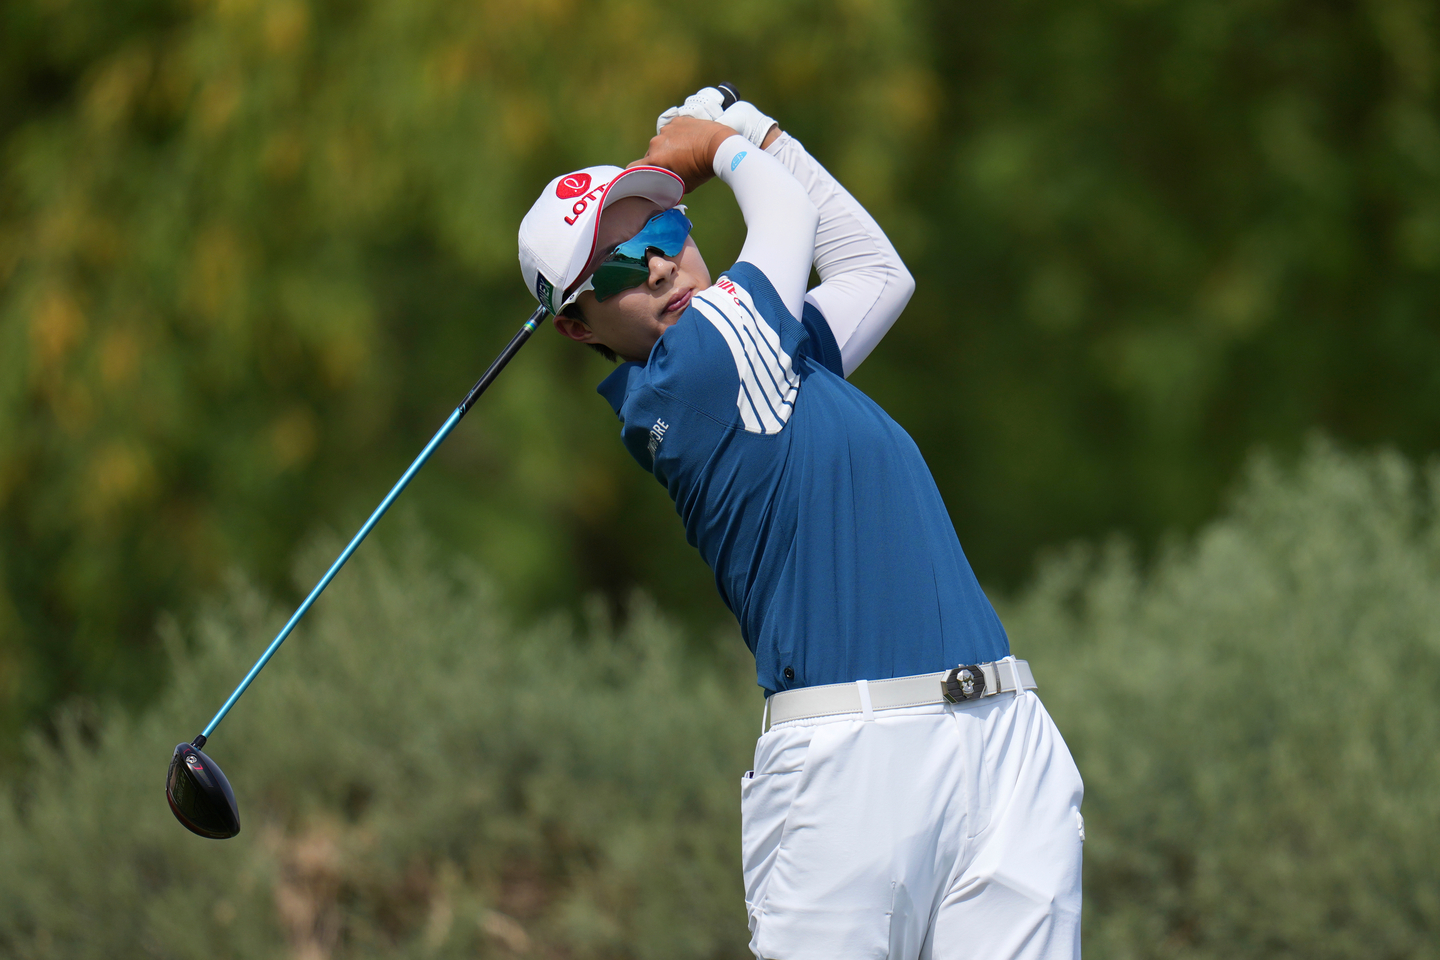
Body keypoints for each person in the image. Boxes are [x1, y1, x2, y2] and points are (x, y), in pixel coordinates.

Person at [517, 88, 1084, 960]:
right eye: (622, 269)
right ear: (576, 326)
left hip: (1000, 739)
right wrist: (719, 145)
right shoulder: (697, 370)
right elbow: (784, 212)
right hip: (850, 767)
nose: (662, 267)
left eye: (666, 235)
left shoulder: (768, 359)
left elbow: (875, 272)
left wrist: (757, 128)